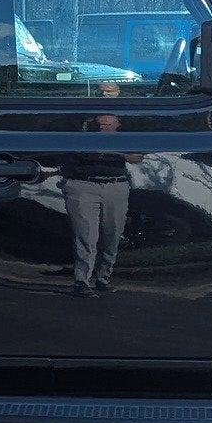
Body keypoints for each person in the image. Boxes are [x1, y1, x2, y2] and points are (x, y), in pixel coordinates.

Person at [61, 112, 135, 294]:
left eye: (108, 125)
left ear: (118, 124)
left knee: (113, 233)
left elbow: (137, 158)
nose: (104, 128)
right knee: (85, 235)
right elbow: (66, 158)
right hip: (83, 184)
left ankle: (103, 277)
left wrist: (113, 151)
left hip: (115, 185)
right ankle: (82, 281)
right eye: (100, 125)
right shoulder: (83, 138)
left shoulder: (127, 139)